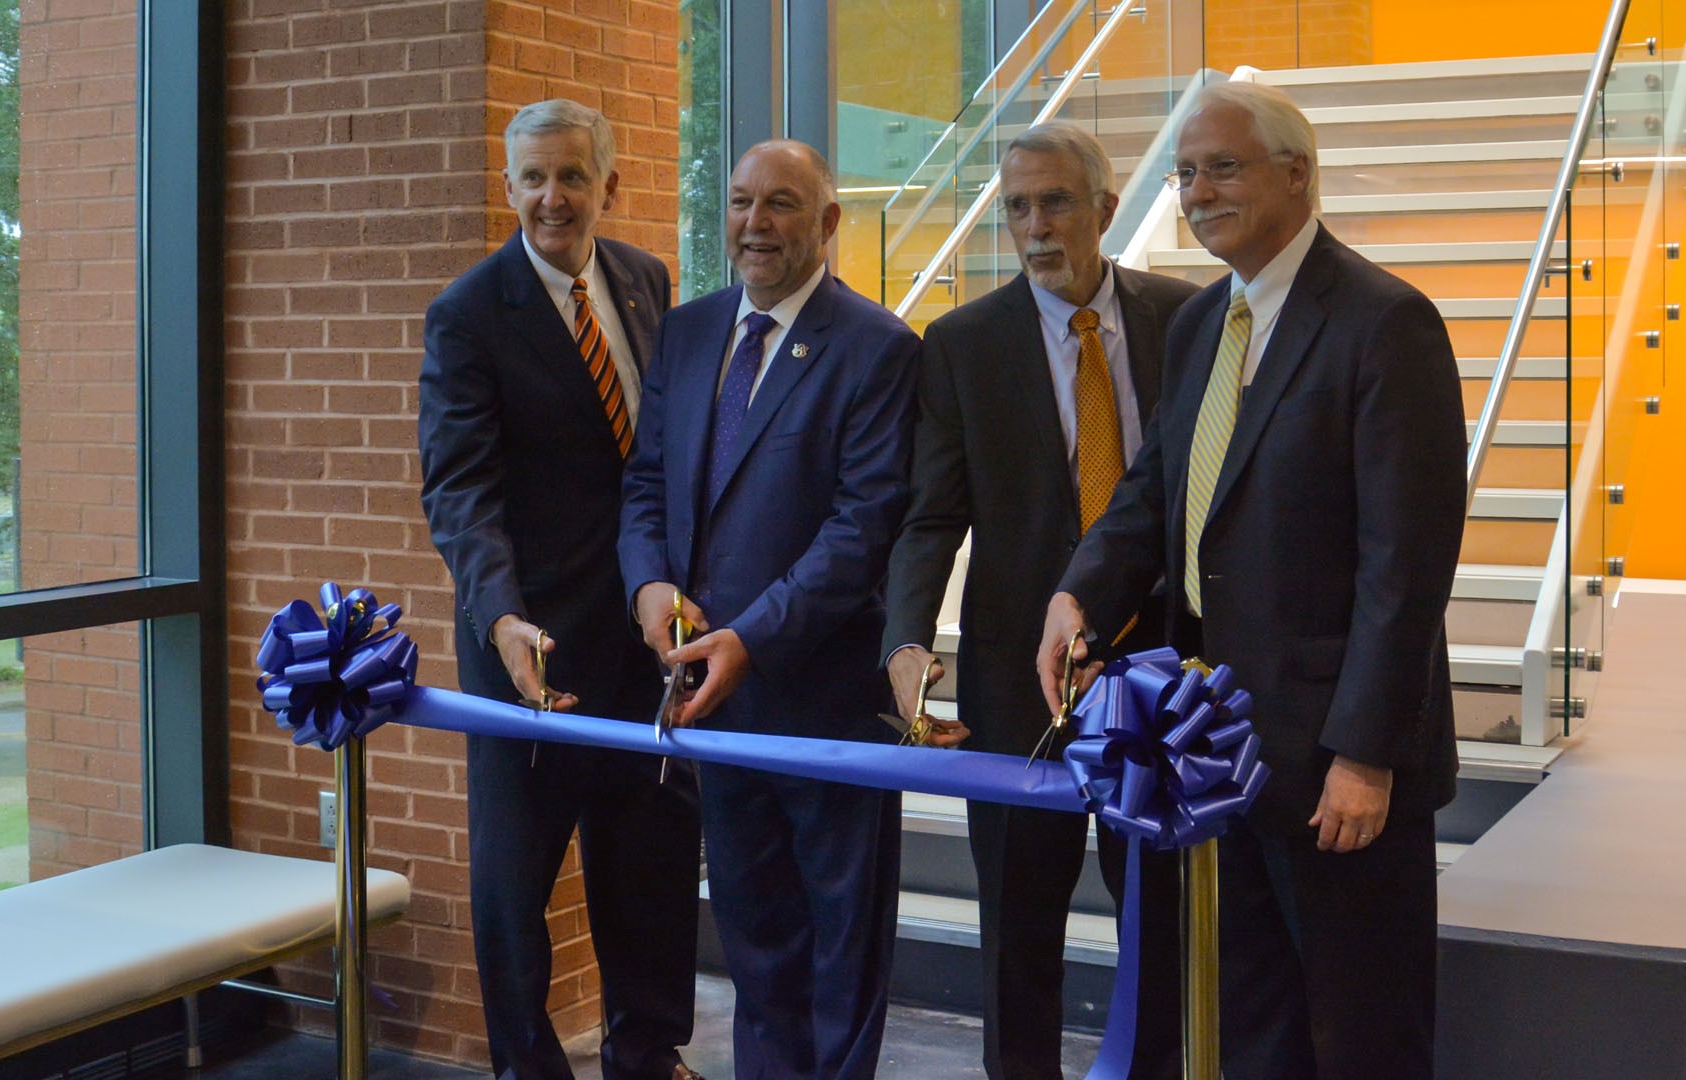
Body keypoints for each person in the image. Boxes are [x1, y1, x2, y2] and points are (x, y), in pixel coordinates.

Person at [1037, 81, 1466, 1080]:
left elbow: (1405, 566)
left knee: (1362, 1036)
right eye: (1185, 173)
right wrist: (1078, 596)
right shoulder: (1200, 327)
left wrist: (1365, 753)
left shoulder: (1384, 322)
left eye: (1222, 168)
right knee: (1253, 1029)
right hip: (1219, 752)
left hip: (1335, 768)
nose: (1196, 192)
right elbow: (1152, 497)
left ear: (1297, 174)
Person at [879, 120, 1199, 1080]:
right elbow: (930, 518)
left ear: (1107, 208)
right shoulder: (962, 344)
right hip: (1018, 682)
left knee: (1162, 919)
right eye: (1017, 206)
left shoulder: (1186, 321)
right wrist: (905, 642)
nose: (1034, 225)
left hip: (1161, 672)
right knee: (1019, 932)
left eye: (1055, 202)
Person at [617, 139, 919, 1080]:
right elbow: (646, 485)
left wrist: (750, 636)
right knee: (755, 950)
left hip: (824, 703)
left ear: (828, 223)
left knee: (841, 954)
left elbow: (862, 529)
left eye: (783, 204)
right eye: (743, 202)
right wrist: (649, 586)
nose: (757, 224)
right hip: (713, 706)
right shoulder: (689, 331)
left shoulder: (878, 348)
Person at [417, 99, 703, 1080]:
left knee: (652, 871)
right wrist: (499, 616)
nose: (553, 197)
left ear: (607, 186)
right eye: (533, 178)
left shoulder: (647, 280)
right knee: (514, 891)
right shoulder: (466, 314)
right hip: (527, 655)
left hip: (645, 648)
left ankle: (647, 1053)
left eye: (572, 176)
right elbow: (460, 489)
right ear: (508, 188)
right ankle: (524, 1068)